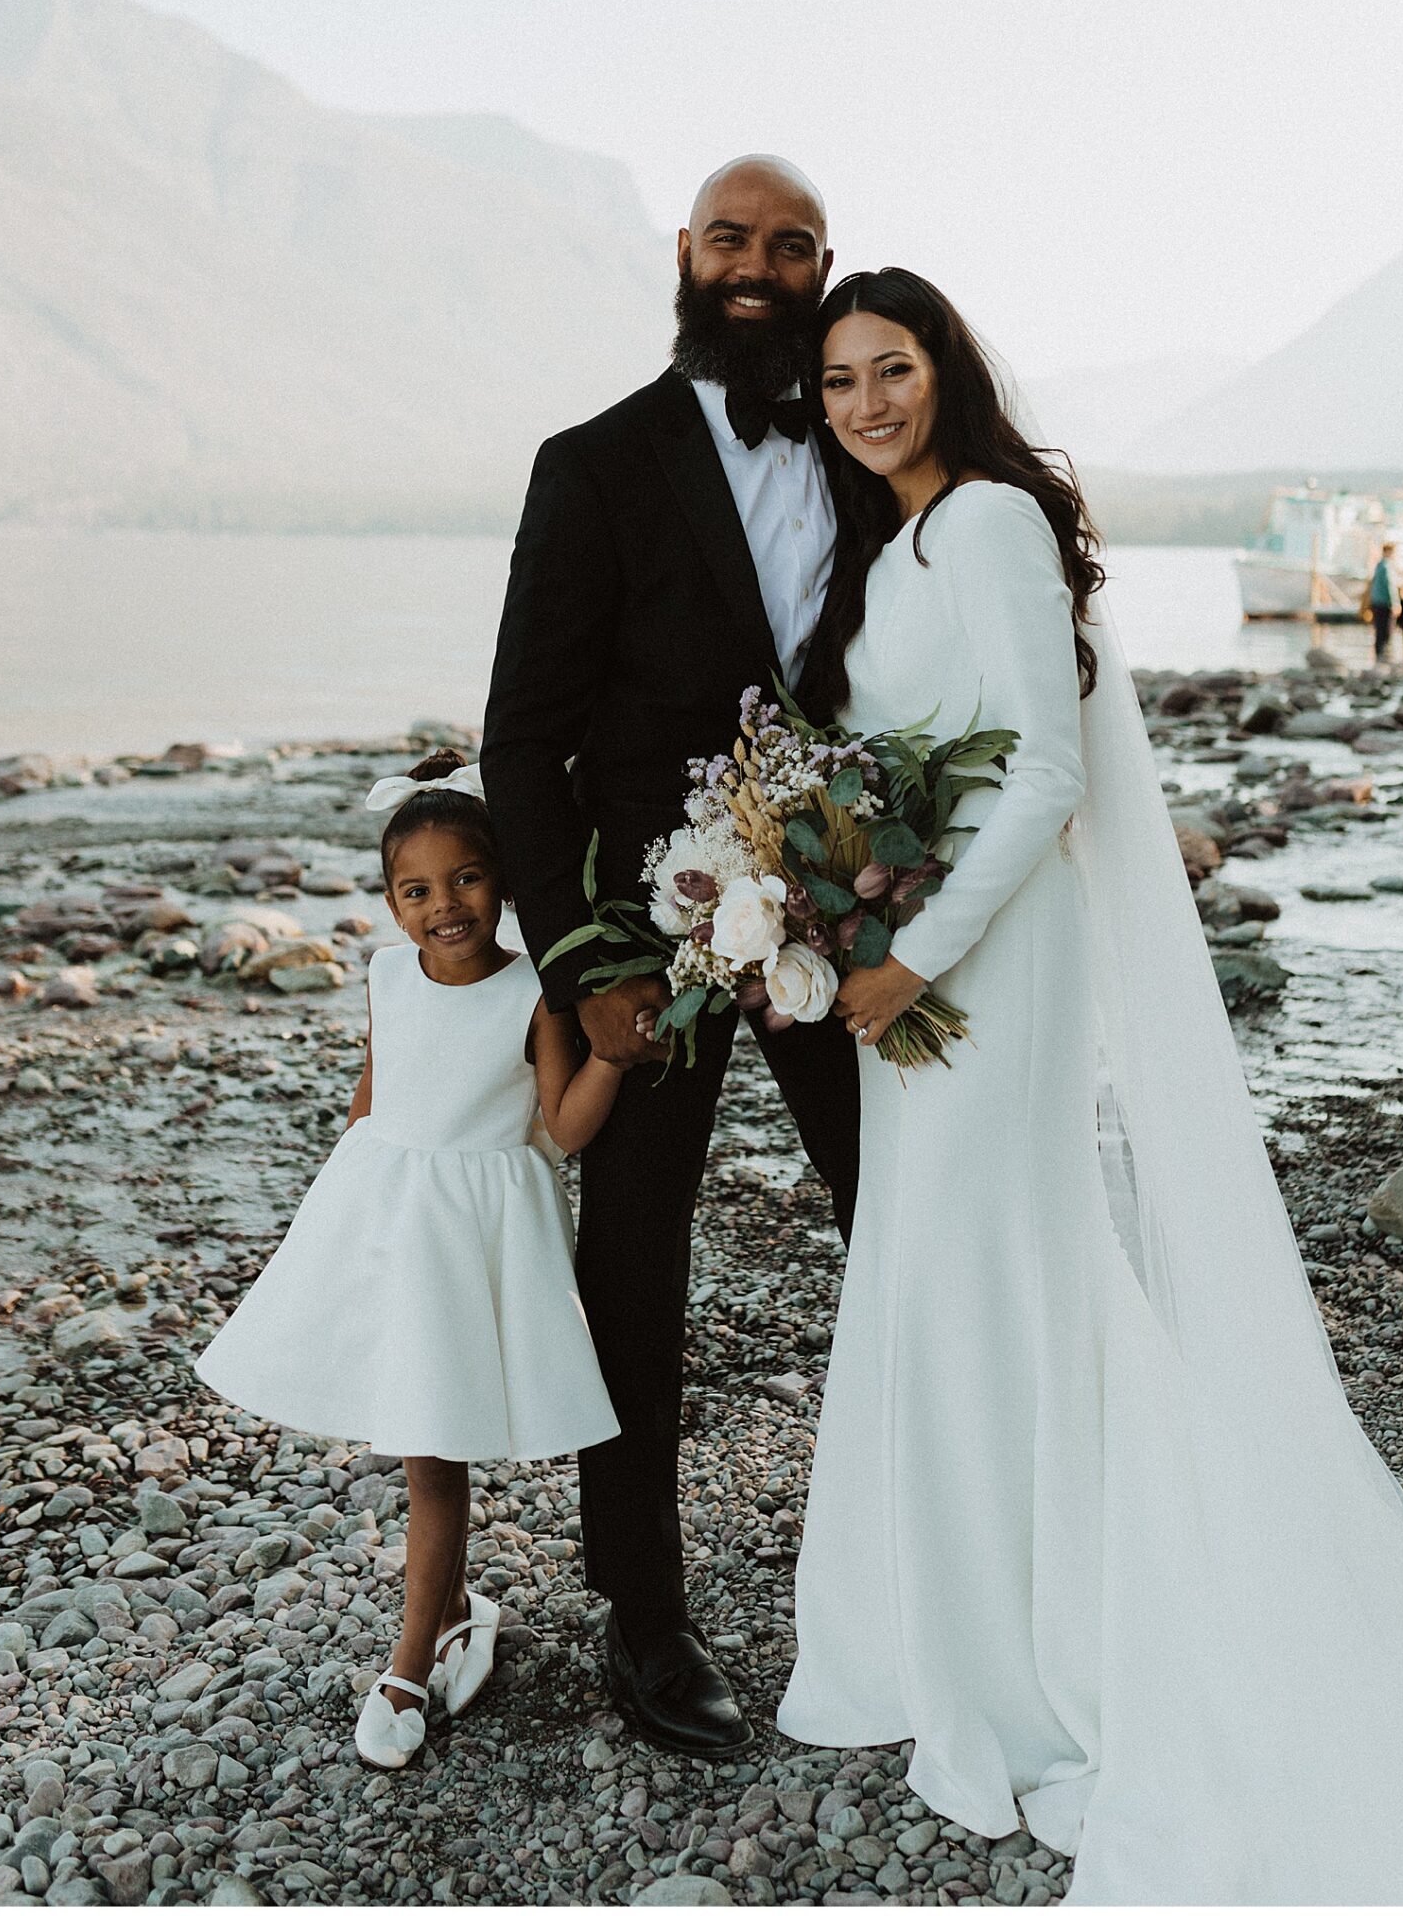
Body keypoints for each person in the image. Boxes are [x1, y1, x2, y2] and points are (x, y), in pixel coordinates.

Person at [776, 268, 1403, 1904]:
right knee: (943, 1275)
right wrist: (817, 886)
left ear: (946, 369)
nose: (866, 400)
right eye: (839, 379)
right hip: (923, 959)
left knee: (992, 1269)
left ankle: (1043, 1651)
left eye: (894, 366)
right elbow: (907, 766)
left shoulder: (998, 521)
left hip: (983, 970)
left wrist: (907, 952)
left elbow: (1048, 773)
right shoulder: (898, 539)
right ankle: (948, 1623)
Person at [481, 155, 861, 1759]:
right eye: (730, 239)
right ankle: (643, 1617)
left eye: (788, 245)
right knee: (632, 1269)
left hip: (843, 929)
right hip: (649, 938)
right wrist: (582, 961)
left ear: (823, 264)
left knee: (910, 1217)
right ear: (685, 256)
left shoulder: (868, 448)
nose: (756, 266)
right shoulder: (594, 466)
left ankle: (944, 1559)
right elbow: (518, 743)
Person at [195, 750, 620, 1772]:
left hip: (469, 1243)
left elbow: (560, 1128)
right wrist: (349, 1209)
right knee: (421, 1442)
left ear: (503, 875)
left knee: (435, 1460)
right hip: (387, 1225)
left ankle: (407, 1660)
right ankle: (459, 1606)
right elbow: (374, 1094)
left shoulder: (534, 993)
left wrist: (610, 1052)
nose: (445, 904)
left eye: (467, 877)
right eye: (417, 889)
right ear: (389, 903)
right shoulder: (388, 974)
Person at [1364, 538, 1400, 658]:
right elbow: (1390, 585)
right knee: (1386, 630)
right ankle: (1384, 655)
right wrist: (1395, 603)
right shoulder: (1387, 567)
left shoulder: (1379, 565)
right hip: (1385, 603)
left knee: (1378, 630)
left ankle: (1378, 655)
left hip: (1376, 602)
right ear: (1390, 552)